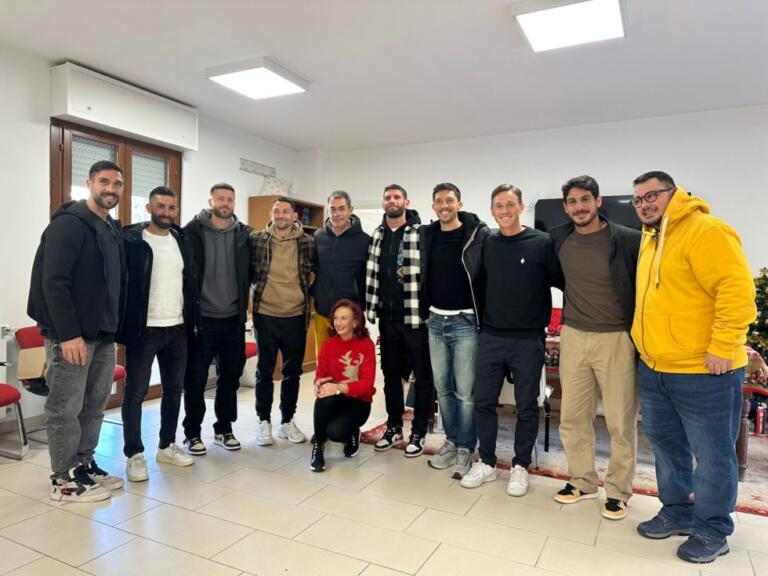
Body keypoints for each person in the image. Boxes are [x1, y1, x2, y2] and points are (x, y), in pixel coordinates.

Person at [630, 171, 756, 564]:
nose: (644, 204)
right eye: (638, 199)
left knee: (713, 454)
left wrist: (723, 345)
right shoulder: (651, 237)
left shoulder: (706, 230)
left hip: (705, 370)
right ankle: (677, 512)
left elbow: (737, 291)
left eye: (652, 195)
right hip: (656, 367)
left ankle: (712, 530)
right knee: (666, 446)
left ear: (674, 194)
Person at [27, 160, 126, 502]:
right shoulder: (69, 224)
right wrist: (68, 334)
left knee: (95, 404)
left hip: (103, 333)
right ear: (89, 184)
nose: (110, 189)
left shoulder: (110, 228)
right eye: (104, 181)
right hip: (72, 336)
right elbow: (53, 282)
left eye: (117, 183)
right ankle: (63, 479)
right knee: (65, 408)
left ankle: (83, 464)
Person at [549, 175, 641, 520]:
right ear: (565, 207)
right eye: (572, 202)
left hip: (616, 338)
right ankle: (582, 481)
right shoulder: (558, 238)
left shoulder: (627, 239)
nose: (579, 207)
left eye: (585, 199)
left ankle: (618, 491)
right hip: (573, 335)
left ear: (598, 201)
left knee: (620, 421)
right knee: (573, 417)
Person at [461, 184, 563, 496]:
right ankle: (487, 462)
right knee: (483, 401)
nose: (504, 211)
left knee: (527, 406)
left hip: (528, 339)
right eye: (498, 206)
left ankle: (520, 466)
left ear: (520, 207)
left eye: (509, 204)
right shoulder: (487, 243)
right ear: (492, 210)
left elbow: (560, 282)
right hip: (491, 336)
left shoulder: (541, 242)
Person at [117, 186, 196, 481]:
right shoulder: (132, 240)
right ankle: (134, 454)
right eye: (160, 206)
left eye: (171, 207)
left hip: (177, 327)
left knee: (174, 390)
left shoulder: (182, 240)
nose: (166, 212)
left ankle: (166, 445)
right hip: (144, 328)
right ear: (149, 208)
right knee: (135, 393)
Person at [420, 183, 489, 478]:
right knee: (443, 390)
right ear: (433, 206)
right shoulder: (428, 235)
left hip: (465, 322)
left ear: (459, 204)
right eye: (439, 201)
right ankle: (451, 441)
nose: (444, 205)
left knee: (465, 393)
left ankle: (466, 447)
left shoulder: (476, 234)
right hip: (435, 320)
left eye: (449, 200)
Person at [182, 183, 252, 455]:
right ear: (211, 201)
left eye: (230, 199)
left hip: (233, 320)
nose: (225, 203)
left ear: (234, 203)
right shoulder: (191, 232)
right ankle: (192, 434)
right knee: (195, 380)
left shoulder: (245, 234)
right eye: (220, 198)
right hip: (202, 320)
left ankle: (224, 428)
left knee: (230, 378)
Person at [365, 184, 434, 457]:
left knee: (423, 378)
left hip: (415, 318)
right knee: (391, 376)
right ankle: (394, 427)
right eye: (387, 197)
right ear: (383, 203)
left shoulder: (421, 233)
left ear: (406, 201)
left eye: (397, 197)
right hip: (387, 318)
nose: (392, 201)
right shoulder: (377, 235)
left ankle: (418, 432)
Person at [251, 196, 316, 445]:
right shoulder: (257, 239)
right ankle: (263, 421)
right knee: (264, 372)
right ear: (271, 214)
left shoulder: (307, 242)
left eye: (285, 211)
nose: (280, 216)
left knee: (292, 373)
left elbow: (314, 273)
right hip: (265, 315)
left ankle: (287, 421)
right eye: (276, 211)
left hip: (296, 316)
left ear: (294, 216)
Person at [310, 299, 376, 472]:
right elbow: (320, 375)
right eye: (336, 318)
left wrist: (338, 387)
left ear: (355, 322)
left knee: (336, 433)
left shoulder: (366, 344)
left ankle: (353, 432)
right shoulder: (328, 344)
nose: (338, 323)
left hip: (359, 402)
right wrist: (318, 384)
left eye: (344, 318)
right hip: (335, 399)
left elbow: (367, 385)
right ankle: (318, 447)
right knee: (323, 396)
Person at [312, 190, 370, 356]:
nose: (337, 214)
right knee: (324, 363)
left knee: (348, 364)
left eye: (342, 208)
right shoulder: (318, 236)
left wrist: (361, 308)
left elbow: (368, 277)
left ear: (350, 210)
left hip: (350, 315)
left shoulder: (364, 240)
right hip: (322, 313)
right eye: (333, 209)